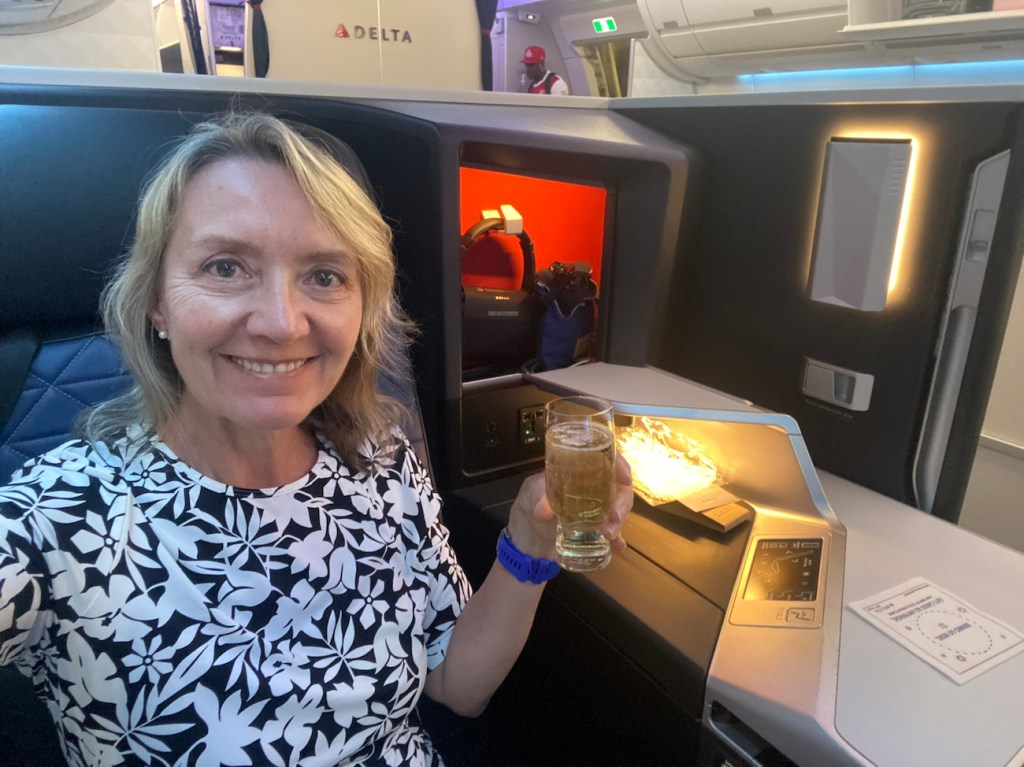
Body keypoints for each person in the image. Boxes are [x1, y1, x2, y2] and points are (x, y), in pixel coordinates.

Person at [0, 111, 632, 766]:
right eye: (225, 266)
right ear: (157, 300)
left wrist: (527, 548)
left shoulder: (382, 457)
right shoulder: (59, 515)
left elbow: (455, 684)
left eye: (325, 275)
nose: (282, 323)